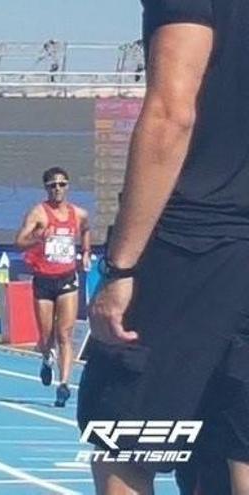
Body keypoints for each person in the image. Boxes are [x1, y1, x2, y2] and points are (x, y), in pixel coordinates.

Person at [80, 1, 249, 493]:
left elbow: (173, 112)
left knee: (127, 445)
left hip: (192, 238)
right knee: (238, 445)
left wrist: (120, 268)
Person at [15, 167, 91, 407]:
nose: (57, 189)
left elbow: (87, 230)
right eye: (52, 185)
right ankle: (47, 358)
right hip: (44, 280)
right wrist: (39, 236)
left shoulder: (78, 214)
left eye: (61, 184)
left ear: (67, 186)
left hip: (67, 278)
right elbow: (19, 242)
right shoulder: (39, 213)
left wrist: (86, 251)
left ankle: (64, 384)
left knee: (65, 334)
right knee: (46, 336)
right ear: (46, 188)